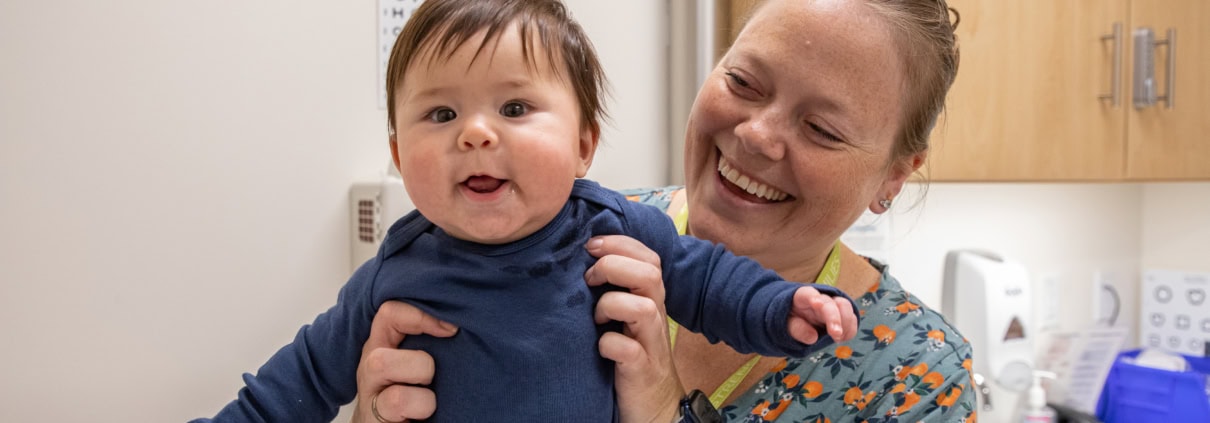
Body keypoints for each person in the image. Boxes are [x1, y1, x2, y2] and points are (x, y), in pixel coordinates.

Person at [195, 0, 861, 422]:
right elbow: (295, 384)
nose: (475, 133)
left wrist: (783, 309)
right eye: (441, 113)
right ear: (399, 156)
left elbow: (714, 282)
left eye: (515, 108)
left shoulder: (617, 229)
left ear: (582, 145)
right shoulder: (392, 273)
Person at [353, 0, 976, 422]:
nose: (756, 134)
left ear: (894, 175)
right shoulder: (585, 230)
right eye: (743, 84)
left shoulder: (917, 377)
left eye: (821, 128)